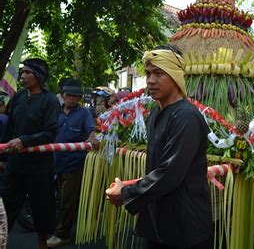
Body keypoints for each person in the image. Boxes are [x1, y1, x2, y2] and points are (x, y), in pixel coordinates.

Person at [105, 45, 213, 249]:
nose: (150, 80)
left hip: (185, 226)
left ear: (175, 75)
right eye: (148, 73)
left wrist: (127, 193)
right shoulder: (156, 113)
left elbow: (169, 173)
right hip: (158, 220)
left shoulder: (186, 117)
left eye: (159, 73)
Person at [0, 58, 60, 249]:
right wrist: (3, 159)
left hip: (39, 167)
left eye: (27, 72)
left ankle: (42, 244)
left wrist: (24, 141)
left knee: (42, 209)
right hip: (15, 165)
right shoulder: (18, 97)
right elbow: (10, 128)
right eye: (22, 72)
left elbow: (50, 132)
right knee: (5, 208)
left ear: (39, 76)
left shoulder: (50, 101)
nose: (23, 76)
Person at [47, 79, 99, 248]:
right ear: (63, 95)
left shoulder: (84, 113)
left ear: (79, 98)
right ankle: (59, 227)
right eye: (69, 95)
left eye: (76, 96)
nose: (72, 98)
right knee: (58, 199)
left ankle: (62, 234)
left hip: (74, 163)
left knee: (66, 201)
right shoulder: (55, 112)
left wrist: (92, 139)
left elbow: (91, 131)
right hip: (55, 162)